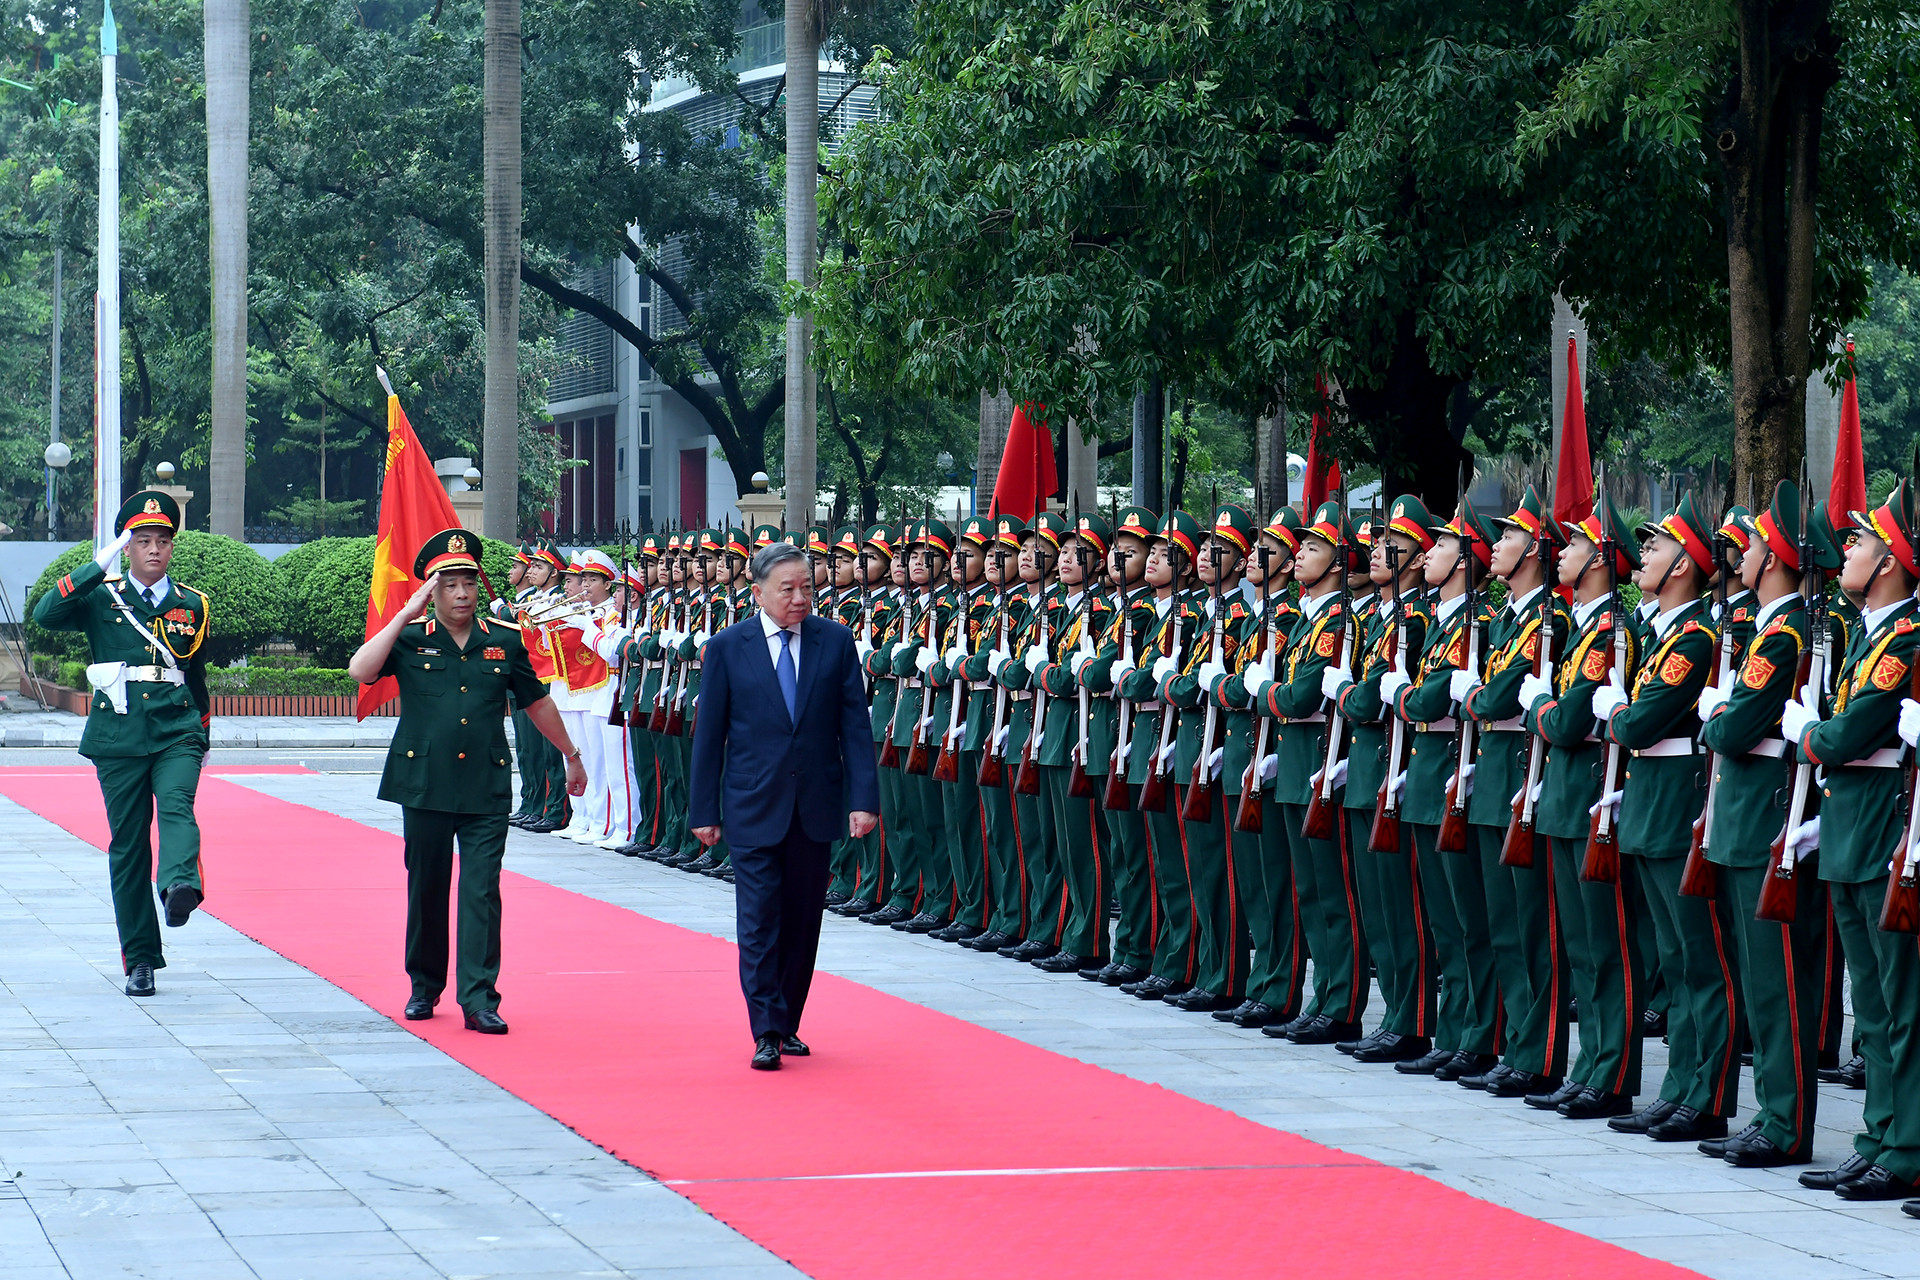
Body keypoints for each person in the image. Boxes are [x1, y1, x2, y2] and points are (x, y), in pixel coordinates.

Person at [348, 529, 586, 1033]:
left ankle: (479, 997)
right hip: (426, 783)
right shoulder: (411, 639)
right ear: (432, 592)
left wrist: (571, 754)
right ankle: (424, 985)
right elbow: (360, 671)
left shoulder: (503, 639)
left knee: (482, 890)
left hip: (485, 783)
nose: (461, 594)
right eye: (449, 584)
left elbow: (536, 702)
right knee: (428, 887)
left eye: (468, 583)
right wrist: (403, 615)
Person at [689, 539, 881, 1070]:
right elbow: (710, 736)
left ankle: (788, 1019)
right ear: (758, 593)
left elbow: (854, 728)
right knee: (758, 920)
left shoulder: (835, 642)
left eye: (807, 588)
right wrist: (704, 810)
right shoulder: (729, 647)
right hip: (752, 804)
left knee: (802, 920)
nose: (800, 598)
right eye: (787, 589)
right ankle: (766, 1028)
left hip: (814, 803)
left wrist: (863, 799)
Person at [33, 489, 212, 997]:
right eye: (142, 541)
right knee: (128, 847)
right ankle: (140, 958)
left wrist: (202, 732)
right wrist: (97, 564)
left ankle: (179, 886)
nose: (154, 549)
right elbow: (46, 614)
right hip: (118, 735)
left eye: (163, 541)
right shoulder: (101, 597)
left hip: (177, 729)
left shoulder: (192, 604)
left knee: (177, 805)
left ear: (172, 548)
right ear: (127, 547)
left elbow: (194, 675)